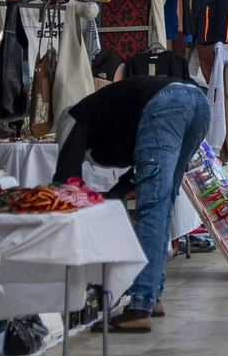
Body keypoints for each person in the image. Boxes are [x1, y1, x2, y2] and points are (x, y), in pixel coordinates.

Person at [54, 75, 210, 332]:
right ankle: (152, 296)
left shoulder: (74, 120)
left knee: (152, 207)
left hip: (166, 105)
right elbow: (140, 167)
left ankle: (140, 306)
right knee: (163, 201)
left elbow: (66, 181)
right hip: (197, 103)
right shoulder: (107, 114)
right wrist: (113, 195)